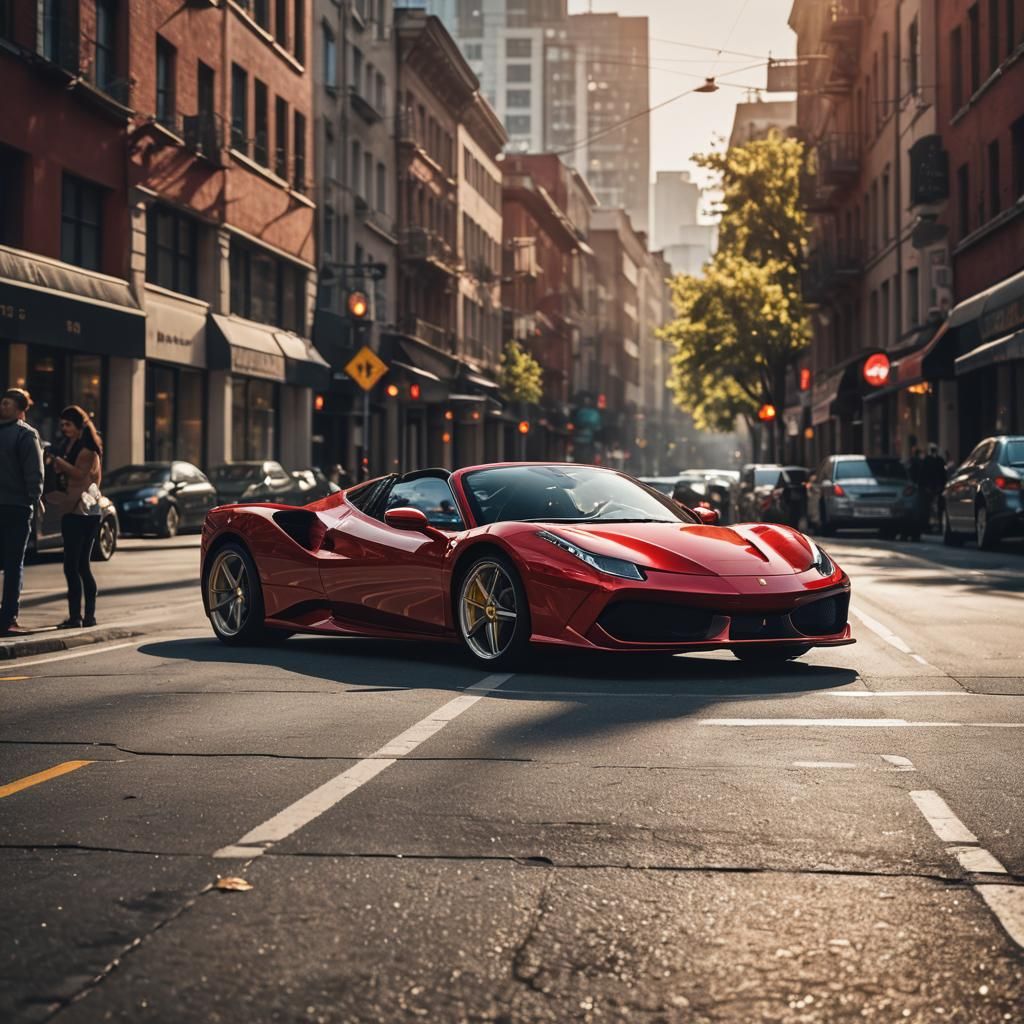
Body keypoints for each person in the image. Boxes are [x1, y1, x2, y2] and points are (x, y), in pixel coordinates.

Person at [45, 406, 103, 628]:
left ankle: (80, 617)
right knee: (78, 565)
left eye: (68, 424)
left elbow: (80, 474)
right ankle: (83, 616)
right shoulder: (71, 445)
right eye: (62, 425)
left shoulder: (88, 448)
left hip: (81, 511)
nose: (64, 428)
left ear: (79, 426)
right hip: (76, 507)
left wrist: (60, 463)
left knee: (75, 565)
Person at [0, 388, 44, 636]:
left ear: (20, 409)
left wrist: (34, 497)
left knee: (12, 563)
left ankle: (7, 617)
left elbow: (34, 473)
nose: (2, 406)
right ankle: (7, 618)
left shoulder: (25, 434)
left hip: (16, 505)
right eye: (2, 402)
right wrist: (35, 498)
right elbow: (35, 471)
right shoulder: (24, 434)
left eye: (7, 403)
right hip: (13, 505)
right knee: (12, 563)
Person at [922, 443, 948, 531]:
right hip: (933, 486)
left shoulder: (932, 460)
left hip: (936, 486)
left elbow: (943, 474)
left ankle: (936, 525)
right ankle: (931, 525)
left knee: (936, 507)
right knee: (930, 507)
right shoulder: (933, 460)